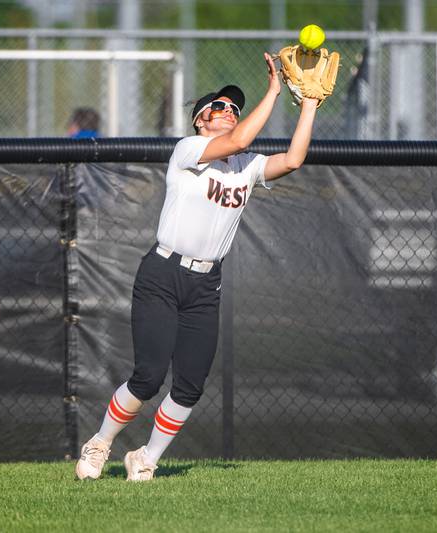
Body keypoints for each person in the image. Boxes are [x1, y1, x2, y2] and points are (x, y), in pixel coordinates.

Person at [75, 52, 320, 482]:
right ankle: (99, 443)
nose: (228, 111)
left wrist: (311, 105)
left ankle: (146, 457)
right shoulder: (189, 151)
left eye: (234, 109)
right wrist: (274, 91)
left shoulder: (246, 168)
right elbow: (240, 140)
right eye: (220, 107)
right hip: (162, 276)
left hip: (206, 284)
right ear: (200, 121)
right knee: (148, 376)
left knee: (189, 385)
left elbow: (294, 159)